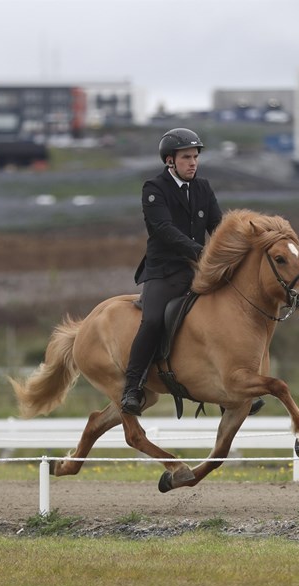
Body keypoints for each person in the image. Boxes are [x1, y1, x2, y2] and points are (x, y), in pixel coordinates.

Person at [120, 128, 222, 415]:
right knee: (152, 321)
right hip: (164, 271)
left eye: (195, 157)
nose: (193, 163)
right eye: (186, 157)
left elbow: (219, 227)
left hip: (198, 270)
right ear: (170, 161)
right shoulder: (154, 189)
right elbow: (165, 230)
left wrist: (234, 252)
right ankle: (132, 387)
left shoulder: (203, 188)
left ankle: (230, 383)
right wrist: (201, 252)